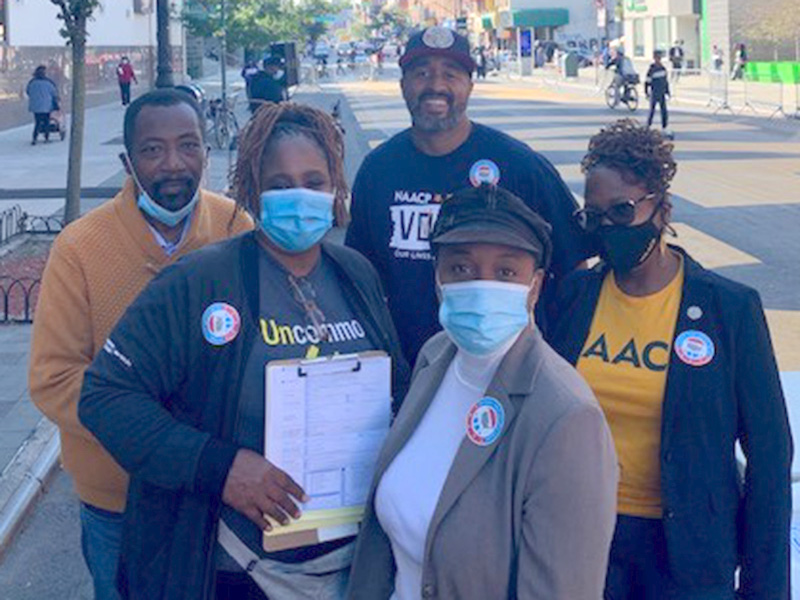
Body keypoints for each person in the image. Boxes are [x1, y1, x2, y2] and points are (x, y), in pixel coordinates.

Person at [78, 102, 409, 600]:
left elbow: (396, 391)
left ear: (335, 187)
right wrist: (219, 467)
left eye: (314, 181)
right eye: (279, 184)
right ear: (251, 190)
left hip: (355, 568)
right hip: (237, 572)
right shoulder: (198, 281)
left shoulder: (355, 274)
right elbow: (105, 397)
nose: (298, 195)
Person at [549, 119, 792, 599]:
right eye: (594, 217)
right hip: (585, 540)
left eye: (622, 211)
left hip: (688, 552)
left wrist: (766, 587)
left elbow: (769, 455)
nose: (608, 229)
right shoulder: (575, 296)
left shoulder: (728, 308)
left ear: (662, 209)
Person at [29, 88, 252, 600]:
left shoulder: (236, 227)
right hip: (119, 502)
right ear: (128, 161)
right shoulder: (80, 248)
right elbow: (54, 378)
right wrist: (163, 436)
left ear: (206, 151)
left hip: (217, 494)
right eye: (153, 150)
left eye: (189, 145)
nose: (174, 164)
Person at [347, 184, 618, 599]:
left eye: (506, 272)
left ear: (536, 285)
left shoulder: (565, 417)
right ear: (437, 278)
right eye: (461, 268)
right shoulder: (436, 357)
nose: (481, 285)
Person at [345, 26, 590, 366]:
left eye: (451, 74)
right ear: (402, 84)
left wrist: (558, 358)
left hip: (509, 371)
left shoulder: (521, 167)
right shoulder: (377, 170)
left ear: (470, 86)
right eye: (421, 73)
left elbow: (574, 270)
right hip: (411, 371)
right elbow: (362, 275)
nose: (436, 86)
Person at [26, 65, 59, 145]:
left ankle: (34, 138)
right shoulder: (48, 82)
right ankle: (46, 138)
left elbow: (28, 92)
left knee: (37, 122)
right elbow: (54, 93)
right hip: (46, 106)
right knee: (46, 121)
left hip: (35, 107)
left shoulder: (32, 82)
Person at [645, 50, 670, 131]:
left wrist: (667, 91)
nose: (658, 60)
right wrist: (646, 92)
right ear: (654, 58)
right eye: (657, 58)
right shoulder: (651, 69)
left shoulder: (663, 68)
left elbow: (665, 81)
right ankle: (648, 125)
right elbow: (647, 81)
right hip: (654, 91)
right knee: (652, 110)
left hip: (661, 92)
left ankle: (664, 126)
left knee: (664, 110)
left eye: (659, 58)